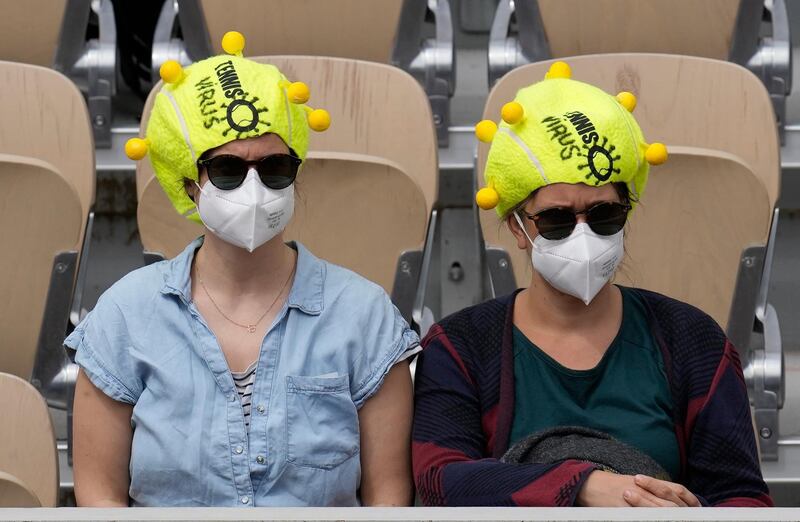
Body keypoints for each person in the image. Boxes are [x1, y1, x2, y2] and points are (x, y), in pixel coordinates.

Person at [66, 32, 419, 507]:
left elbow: (388, 500)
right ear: (190, 183)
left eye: (275, 168)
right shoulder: (126, 314)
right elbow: (99, 499)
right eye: (229, 169)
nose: (254, 187)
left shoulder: (364, 315)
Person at [411, 61, 772, 507]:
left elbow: (743, 497)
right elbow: (439, 482)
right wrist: (584, 486)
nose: (583, 235)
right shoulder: (460, 347)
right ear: (517, 229)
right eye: (557, 220)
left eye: (604, 216)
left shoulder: (692, 341)